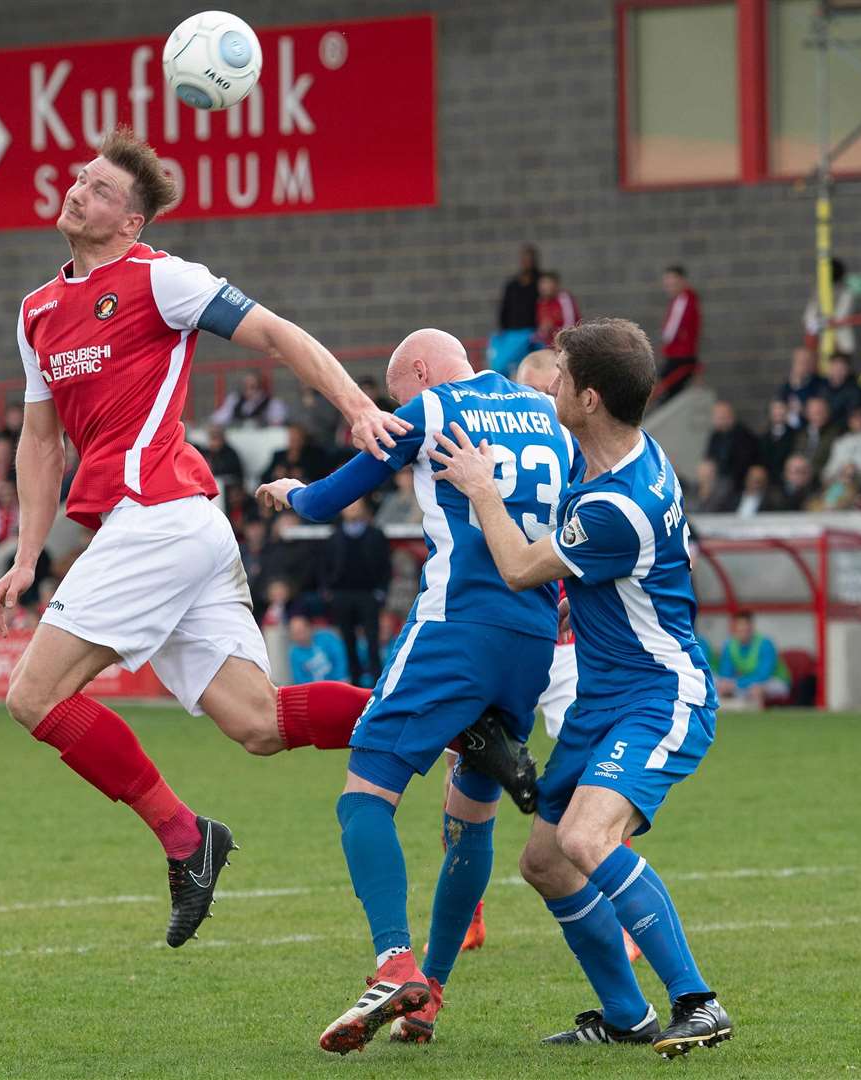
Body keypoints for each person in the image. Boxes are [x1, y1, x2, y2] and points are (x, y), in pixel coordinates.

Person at [0, 127, 412, 950]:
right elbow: (41, 445)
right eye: (79, 179)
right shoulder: (37, 312)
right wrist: (27, 556)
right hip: (172, 531)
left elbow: (279, 333)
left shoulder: (161, 279)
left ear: (132, 223)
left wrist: (356, 406)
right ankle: (441, 715)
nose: (78, 191)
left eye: (102, 189)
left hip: (162, 519)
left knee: (32, 697)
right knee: (258, 723)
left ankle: (186, 840)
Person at [256, 328, 570, 1054]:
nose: (397, 411)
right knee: (472, 816)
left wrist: (286, 491)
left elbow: (331, 499)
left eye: (398, 396)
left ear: (422, 373)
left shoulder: (433, 410)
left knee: (365, 792)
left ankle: (394, 960)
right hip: (531, 636)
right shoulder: (547, 413)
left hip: (456, 628)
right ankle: (431, 993)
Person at [427, 317, 731, 1057]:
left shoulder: (616, 504)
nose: (548, 384)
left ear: (590, 398)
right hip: (604, 698)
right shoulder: (606, 454)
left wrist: (480, 488)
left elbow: (519, 568)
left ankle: (700, 1001)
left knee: (585, 838)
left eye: (559, 375)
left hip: (659, 694)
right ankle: (627, 1018)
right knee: (544, 862)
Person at [320, 498, 391, 688]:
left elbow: (385, 567)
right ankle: (356, 687)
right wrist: (330, 592)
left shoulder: (376, 535)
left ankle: (378, 685)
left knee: (373, 642)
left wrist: (381, 593)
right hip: (342, 596)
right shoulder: (334, 537)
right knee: (348, 643)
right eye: (349, 505)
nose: (352, 509)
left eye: (357, 505)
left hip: (368, 595)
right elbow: (325, 567)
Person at [713, 610, 790, 709]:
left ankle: (760, 719)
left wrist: (736, 684)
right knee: (719, 686)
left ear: (751, 627)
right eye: (739, 629)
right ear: (734, 628)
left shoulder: (765, 643)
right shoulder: (729, 645)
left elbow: (763, 675)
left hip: (775, 681)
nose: (743, 632)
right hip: (745, 682)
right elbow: (725, 672)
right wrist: (726, 684)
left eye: (746, 628)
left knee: (756, 689)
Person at [489, 244, 541, 374]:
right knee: (502, 365)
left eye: (529, 259)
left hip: (532, 333)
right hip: (513, 332)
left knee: (532, 365)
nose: (526, 263)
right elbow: (504, 307)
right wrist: (503, 327)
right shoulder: (512, 284)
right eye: (524, 259)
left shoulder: (540, 282)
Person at [658, 264, 700, 399]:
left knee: (666, 390)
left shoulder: (683, 299)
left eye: (673, 283)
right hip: (680, 354)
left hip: (680, 356)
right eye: (667, 284)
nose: (669, 287)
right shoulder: (681, 299)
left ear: (682, 281)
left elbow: (669, 333)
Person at [803, 257, 855, 355]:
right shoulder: (818, 292)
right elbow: (809, 320)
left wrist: (821, 323)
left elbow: (839, 318)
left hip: (842, 344)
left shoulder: (846, 292)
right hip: (821, 346)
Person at [703, 401, 758, 490]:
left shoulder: (742, 434)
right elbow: (709, 457)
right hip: (719, 475)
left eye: (719, 417)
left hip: (735, 477)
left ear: (729, 417)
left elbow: (742, 462)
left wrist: (719, 470)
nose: (715, 420)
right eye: (715, 416)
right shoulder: (715, 435)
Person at [822, 404, 861, 480]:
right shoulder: (841, 441)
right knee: (832, 487)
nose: (859, 420)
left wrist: (853, 466)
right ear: (849, 421)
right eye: (855, 417)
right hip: (841, 479)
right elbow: (832, 465)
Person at [209, 370, 288, 427]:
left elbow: (277, 423)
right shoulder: (235, 400)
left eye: (253, 387)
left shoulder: (272, 403)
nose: (249, 391)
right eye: (246, 387)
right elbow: (220, 417)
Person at [287, 614, 350, 684]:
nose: (300, 637)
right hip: (317, 690)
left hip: (339, 683)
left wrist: (341, 680)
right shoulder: (294, 654)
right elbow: (299, 679)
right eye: (295, 634)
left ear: (309, 628)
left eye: (301, 631)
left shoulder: (327, 638)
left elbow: (340, 660)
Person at [776, 346, 826, 425]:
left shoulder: (820, 384)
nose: (802, 366)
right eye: (799, 362)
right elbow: (779, 405)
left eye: (806, 362)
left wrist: (802, 410)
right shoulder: (786, 385)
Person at [534, 270, 581, 347]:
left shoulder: (564, 298)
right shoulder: (540, 302)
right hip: (548, 343)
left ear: (556, 285)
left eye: (548, 283)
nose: (544, 286)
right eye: (542, 283)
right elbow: (541, 329)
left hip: (568, 340)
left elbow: (570, 323)